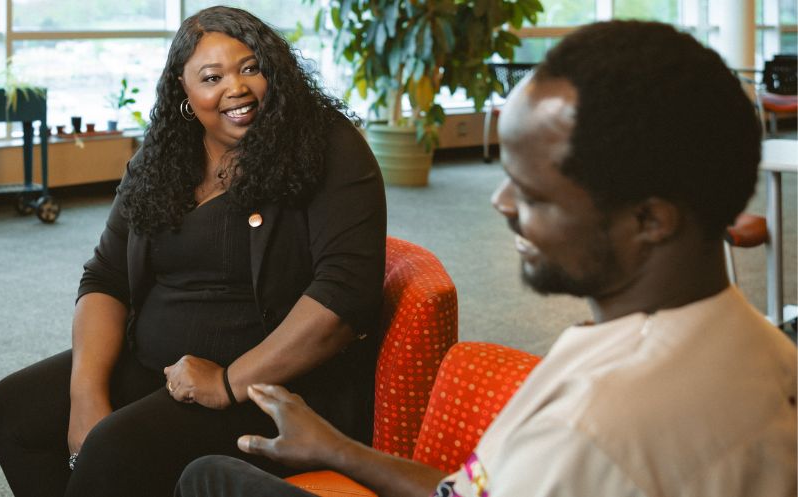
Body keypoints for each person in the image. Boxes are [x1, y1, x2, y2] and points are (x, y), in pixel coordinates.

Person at [177, 20, 797, 497]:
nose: (500, 203)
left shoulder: (595, 426)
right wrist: (339, 450)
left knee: (208, 479)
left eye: (533, 192)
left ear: (651, 219)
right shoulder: (764, 350)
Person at [0, 6, 386, 497]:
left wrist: (228, 381)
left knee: (115, 448)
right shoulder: (164, 153)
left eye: (251, 68)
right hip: (155, 364)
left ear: (274, 70)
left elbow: (344, 297)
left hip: (267, 388)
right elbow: (106, 276)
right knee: (15, 408)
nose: (235, 88)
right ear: (184, 90)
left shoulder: (327, 145)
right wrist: (86, 394)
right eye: (212, 77)